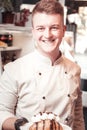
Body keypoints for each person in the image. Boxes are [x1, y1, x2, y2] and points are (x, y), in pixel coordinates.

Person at [0, 0, 85, 130]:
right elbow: (2, 112)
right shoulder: (14, 70)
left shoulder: (74, 69)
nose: (47, 35)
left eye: (54, 28)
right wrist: (23, 126)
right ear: (33, 32)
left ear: (63, 30)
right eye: (41, 28)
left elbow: (78, 118)